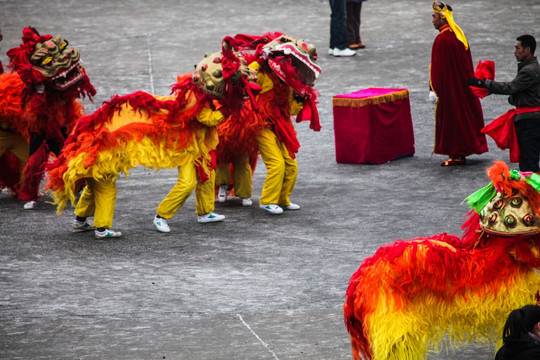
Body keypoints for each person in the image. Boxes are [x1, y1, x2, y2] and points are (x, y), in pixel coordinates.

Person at [467, 35, 540, 172]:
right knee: (528, 161)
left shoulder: (529, 71)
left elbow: (511, 87)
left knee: (529, 163)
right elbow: (517, 91)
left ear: (527, 50)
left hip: (530, 121)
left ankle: (533, 191)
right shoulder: (530, 68)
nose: (514, 51)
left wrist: (483, 84)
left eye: (517, 48)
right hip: (530, 120)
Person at [430, 1, 488, 166]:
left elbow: (439, 69)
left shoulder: (443, 40)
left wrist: (435, 89)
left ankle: (456, 154)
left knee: (453, 118)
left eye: (434, 17)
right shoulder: (457, 35)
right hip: (462, 87)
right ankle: (461, 150)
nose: (432, 20)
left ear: (442, 18)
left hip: (450, 89)